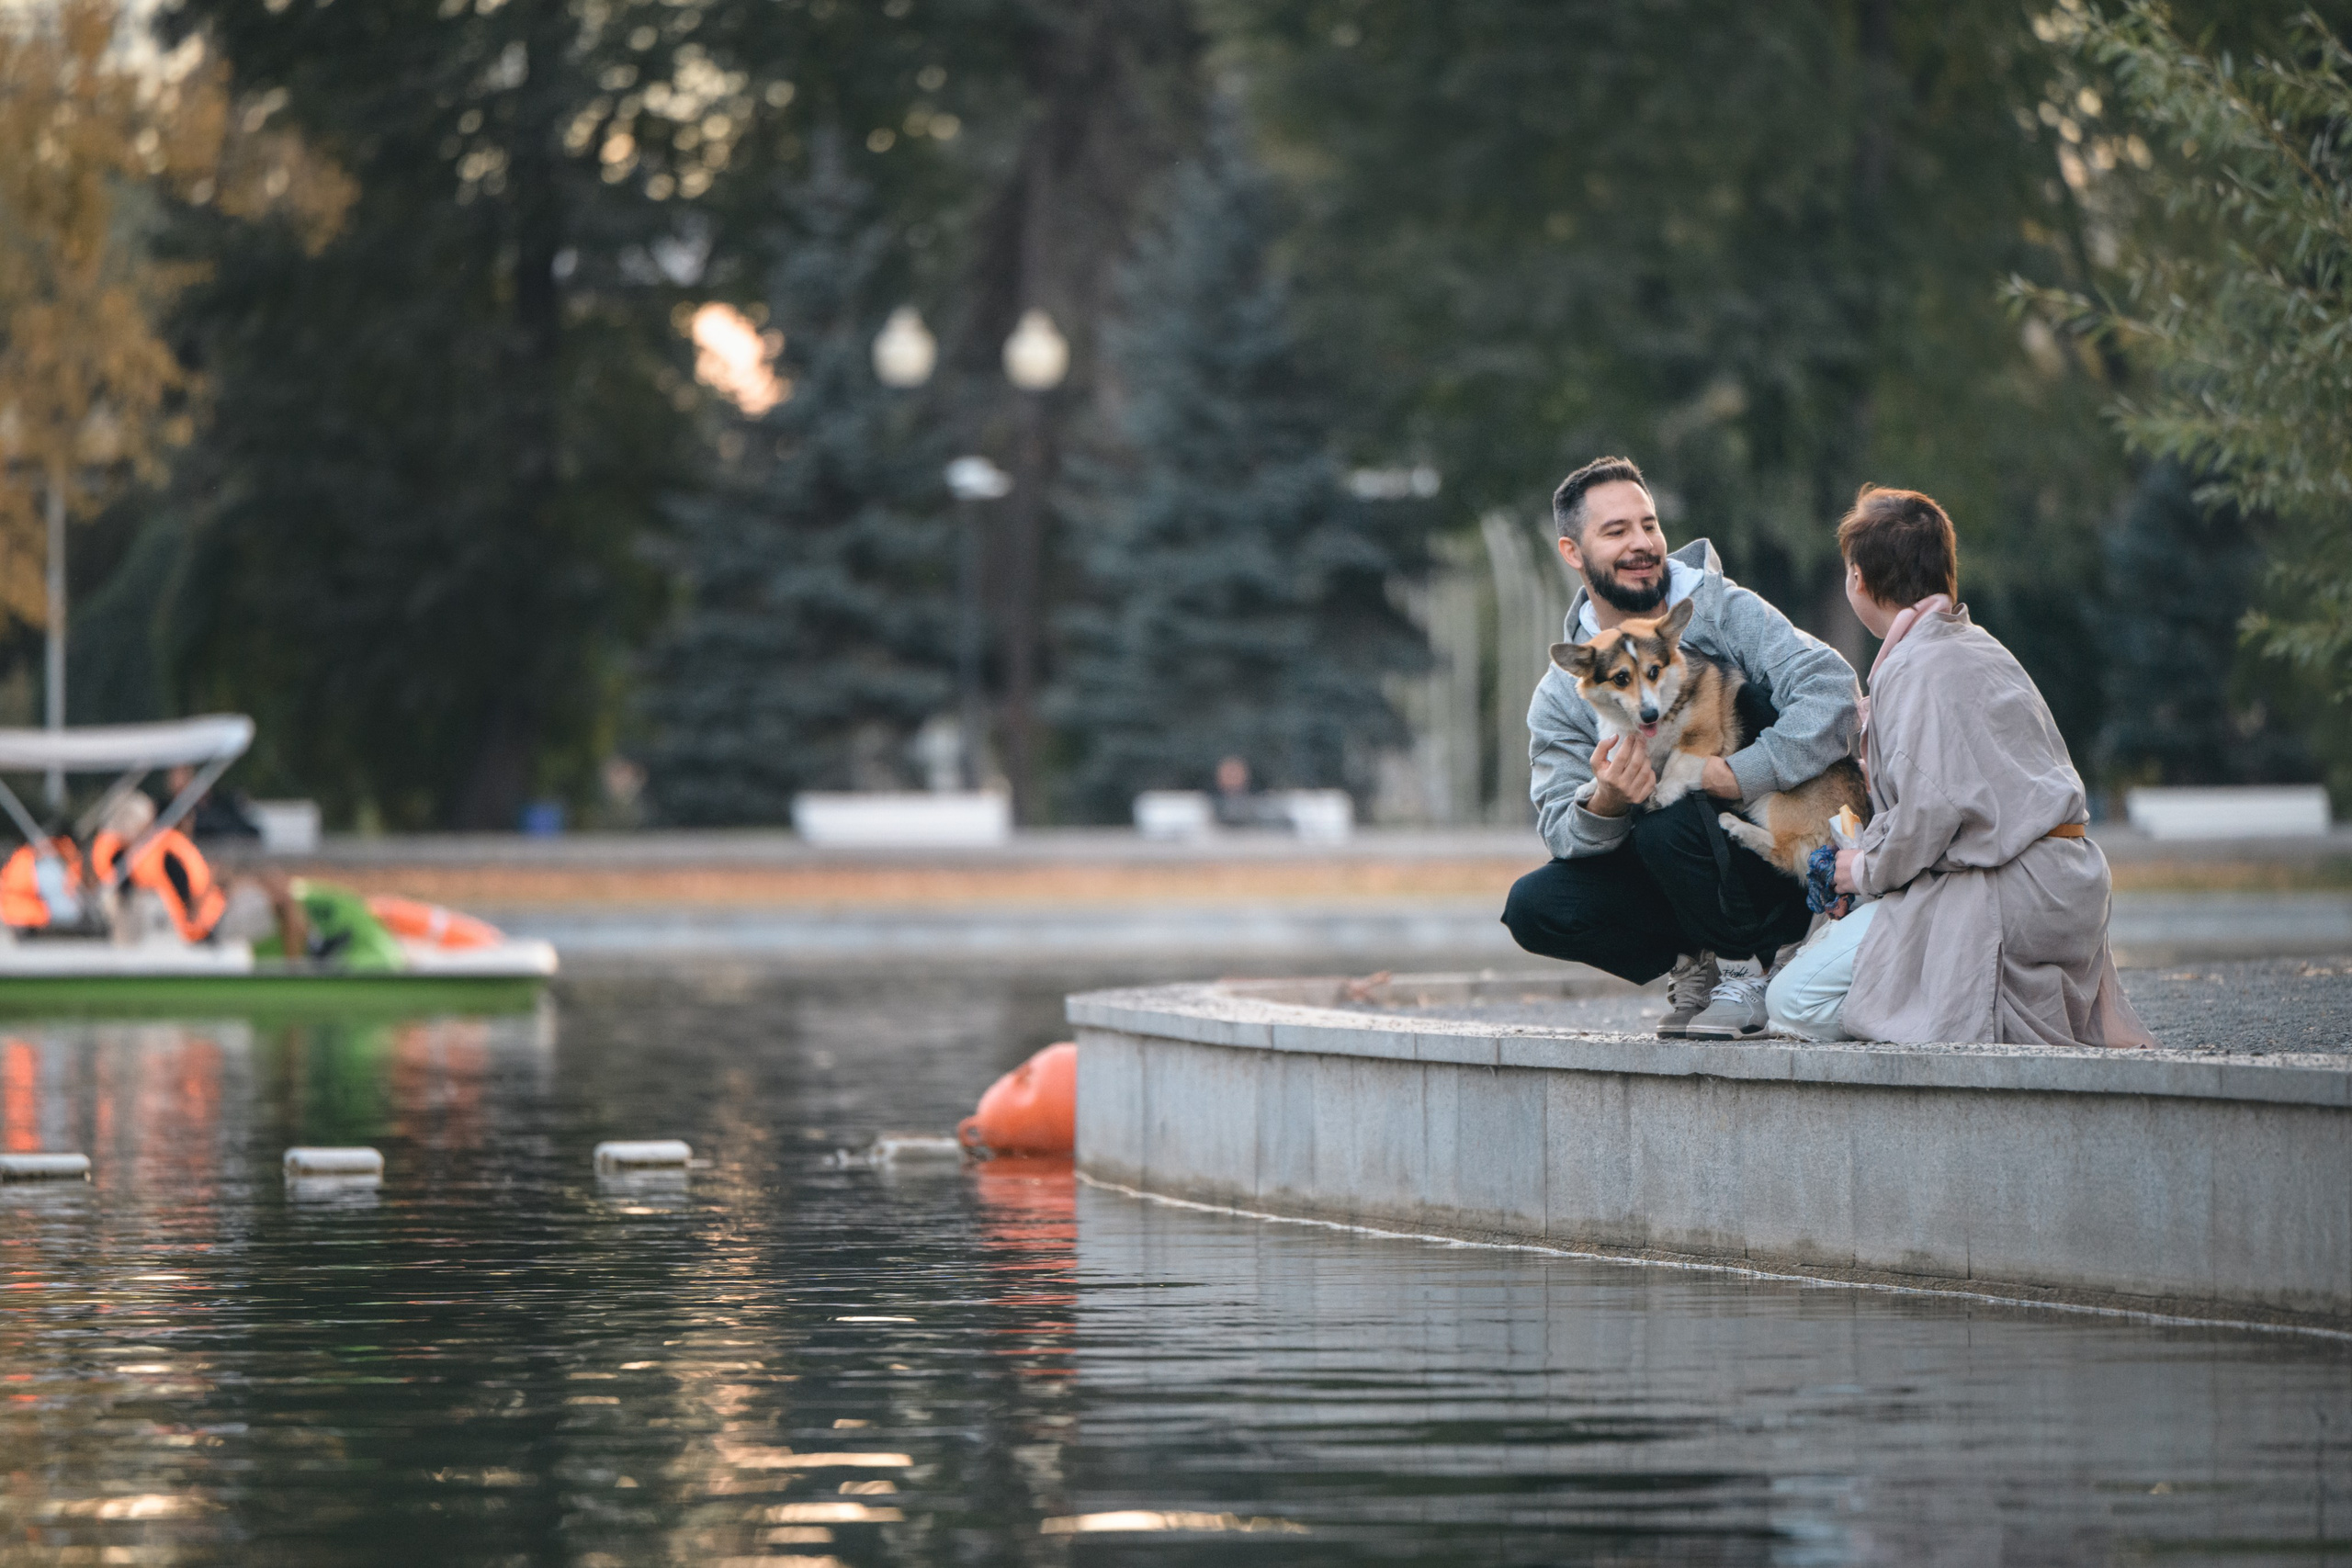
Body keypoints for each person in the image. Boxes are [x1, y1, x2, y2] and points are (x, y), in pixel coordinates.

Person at [1764, 487, 2154, 1046]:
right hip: (2072, 889)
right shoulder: (1981, 648)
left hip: (2007, 895)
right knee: (1843, 964)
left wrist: (1862, 870)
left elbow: (1930, 811)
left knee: (1791, 1002)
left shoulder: (1918, 667)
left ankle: (1946, 1011)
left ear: (1858, 580)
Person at [1502, 456, 1863, 1037]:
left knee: (1670, 816)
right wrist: (1607, 802)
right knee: (1535, 907)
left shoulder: (1724, 610)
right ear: (1573, 553)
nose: (1642, 543)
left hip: (1780, 852)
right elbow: (1558, 829)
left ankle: (1762, 964)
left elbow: (1833, 689)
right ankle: (1697, 958)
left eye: (1648, 524)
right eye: (1616, 531)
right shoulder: (1562, 693)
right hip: (1675, 865)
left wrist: (1742, 772)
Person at [92, 793, 227, 942]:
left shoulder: (163, 854)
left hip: (192, 931)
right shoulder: (138, 854)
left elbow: (187, 899)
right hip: (176, 930)